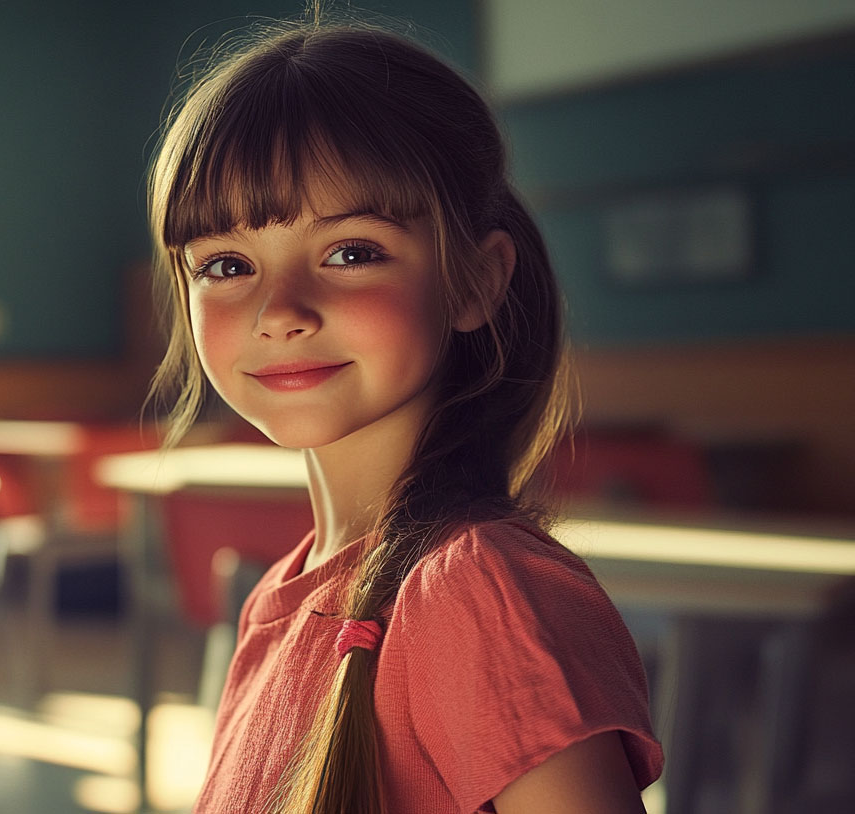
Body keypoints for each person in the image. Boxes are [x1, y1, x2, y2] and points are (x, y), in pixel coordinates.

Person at [145, 17, 665, 814]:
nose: (280, 311)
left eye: (352, 252)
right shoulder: (270, 602)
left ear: (474, 283)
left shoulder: (480, 591)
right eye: (227, 265)